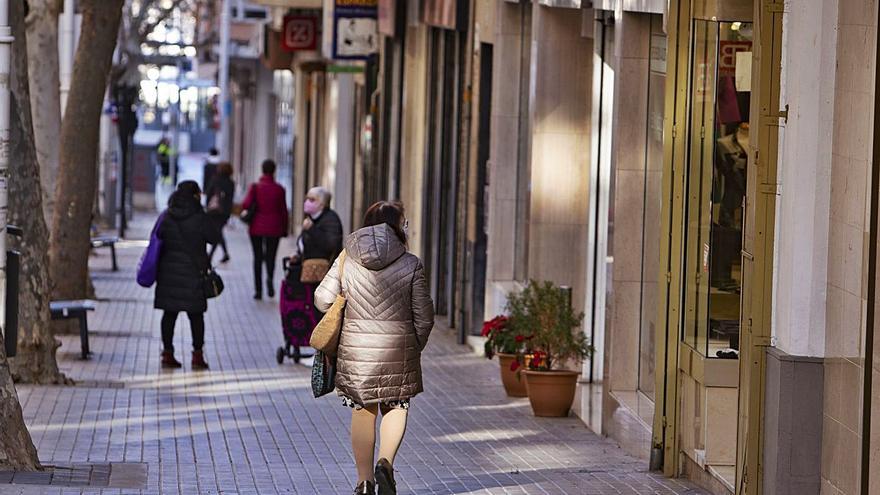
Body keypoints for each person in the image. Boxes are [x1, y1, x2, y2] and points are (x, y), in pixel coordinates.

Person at [315, 201, 434, 495]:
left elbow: (322, 300)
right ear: (398, 226)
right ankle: (386, 464)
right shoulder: (411, 263)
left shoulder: (347, 258)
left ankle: (365, 482)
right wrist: (414, 344)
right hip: (398, 348)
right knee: (396, 405)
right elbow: (425, 316)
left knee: (363, 410)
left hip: (357, 351)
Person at [154, 181, 221, 370]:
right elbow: (213, 237)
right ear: (195, 195)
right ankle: (197, 356)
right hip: (194, 271)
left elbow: (157, 238)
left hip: (168, 272)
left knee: (169, 314)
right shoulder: (200, 216)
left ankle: (167, 354)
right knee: (196, 315)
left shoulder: (167, 216)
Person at [242, 159, 289, 299]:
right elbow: (283, 211)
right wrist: (285, 228)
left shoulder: (255, 187)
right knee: (271, 257)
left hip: (256, 228)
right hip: (274, 228)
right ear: (274, 171)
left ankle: (258, 290)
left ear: (262, 170)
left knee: (257, 258)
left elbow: (246, 204)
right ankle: (269, 279)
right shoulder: (279, 189)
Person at [205, 162, 235, 263]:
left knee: (218, 233)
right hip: (224, 212)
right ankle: (224, 254)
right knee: (219, 232)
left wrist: (207, 207)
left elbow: (209, 194)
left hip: (213, 211)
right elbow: (231, 199)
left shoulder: (215, 180)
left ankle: (210, 256)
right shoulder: (231, 182)